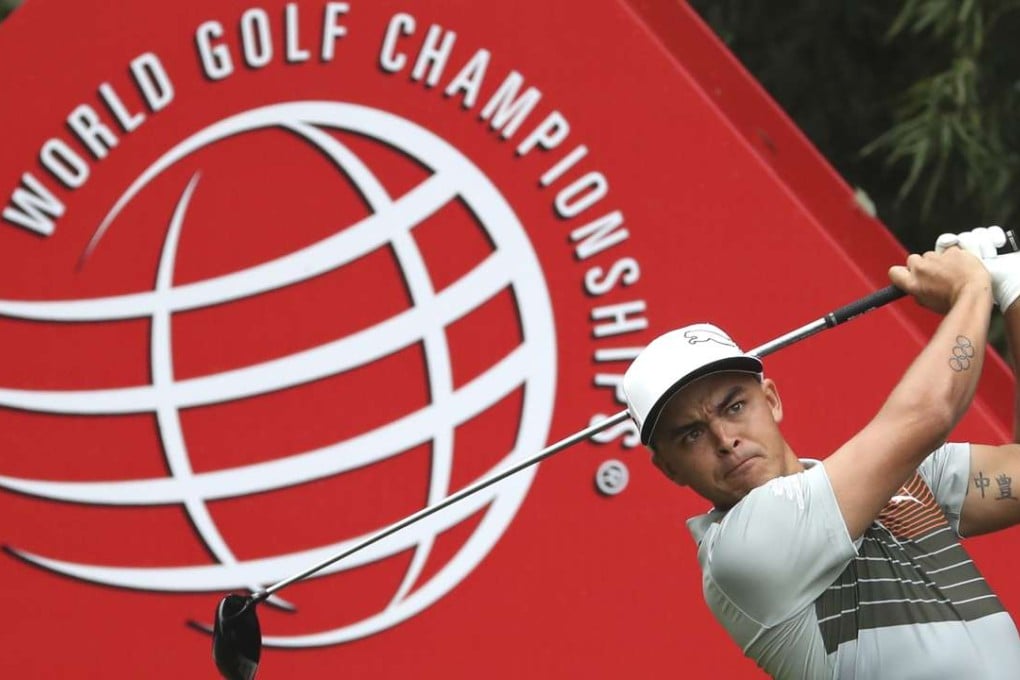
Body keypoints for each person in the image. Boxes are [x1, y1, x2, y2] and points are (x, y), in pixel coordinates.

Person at [622, 226, 1020, 679]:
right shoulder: (741, 550)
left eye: (734, 406)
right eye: (691, 434)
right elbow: (927, 415)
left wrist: (1013, 289)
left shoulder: (906, 479)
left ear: (770, 399)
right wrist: (973, 288)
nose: (724, 439)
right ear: (669, 468)